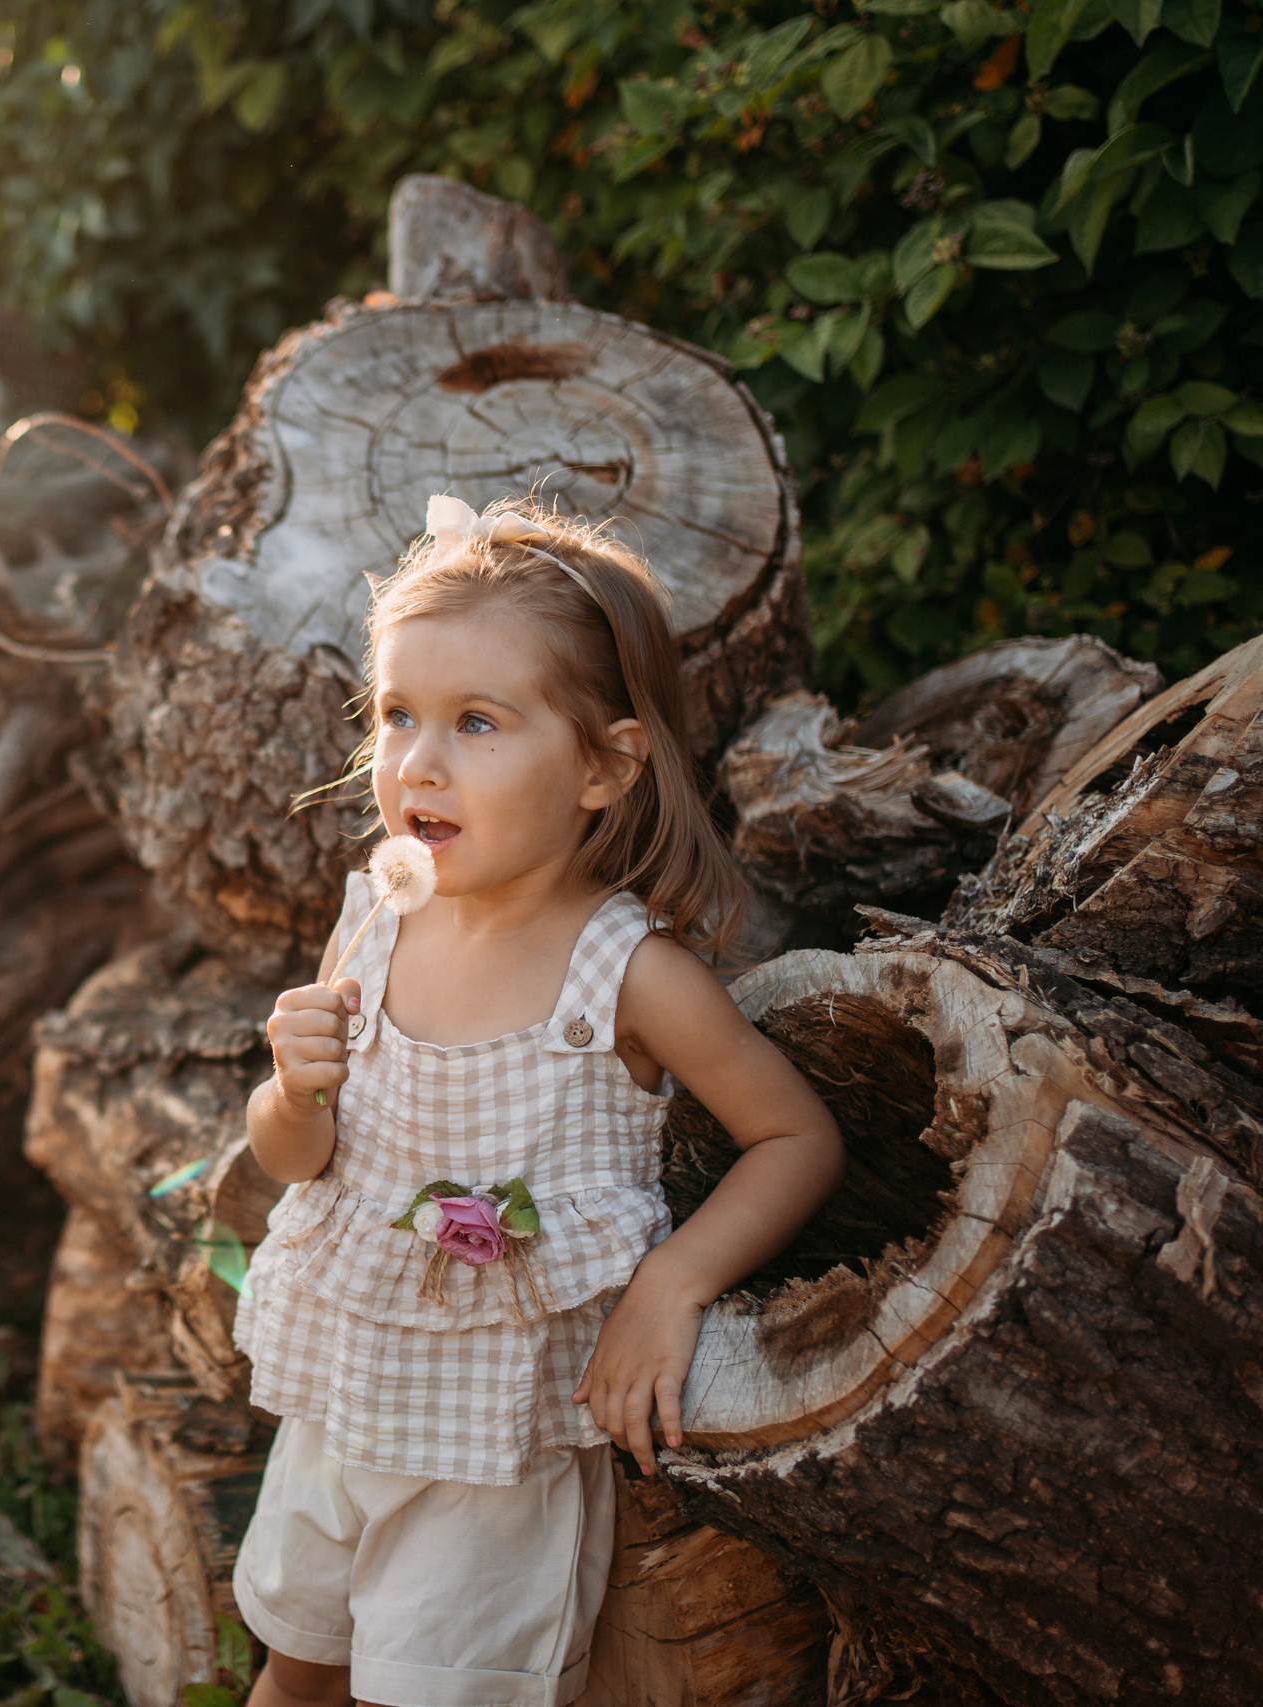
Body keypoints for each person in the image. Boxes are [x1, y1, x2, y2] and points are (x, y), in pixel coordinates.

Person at [234, 494, 845, 1707]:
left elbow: (794, 1137)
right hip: (343, 1407)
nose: (417, 760)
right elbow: (297, 1159)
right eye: (398, 714)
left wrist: (671, 1286)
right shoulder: (377, 915)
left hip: (497, 1450)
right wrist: (291, 1087)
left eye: (476, 723)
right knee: (295, 1669)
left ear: (603, 766)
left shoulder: (627, 974)